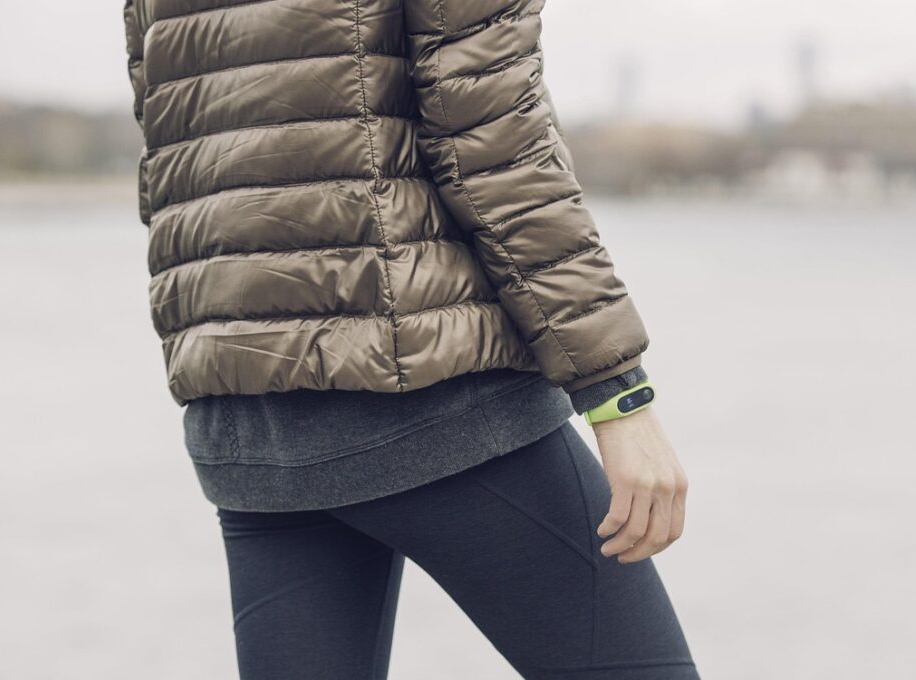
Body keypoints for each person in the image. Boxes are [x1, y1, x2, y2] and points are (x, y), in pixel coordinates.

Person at [122, 0, 699, 677]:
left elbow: (168, 144)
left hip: (247, 419)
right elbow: (497, 144)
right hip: (431, 396)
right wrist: (617, 392)